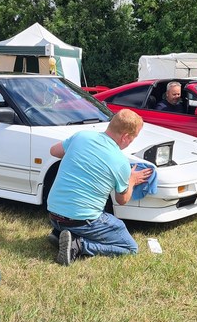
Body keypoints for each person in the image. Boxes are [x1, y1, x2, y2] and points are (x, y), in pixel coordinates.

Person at [46, 109, 153, 266]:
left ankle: (60, 234)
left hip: (54, 214)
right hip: (81, 221)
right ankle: (78, 245)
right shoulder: (120, 161)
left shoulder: (81, 136)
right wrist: (131, 180)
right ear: (125, 137)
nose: (132, 141)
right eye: (133, 138)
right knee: (130, 247)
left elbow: (54, 151)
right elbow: (121, 199)